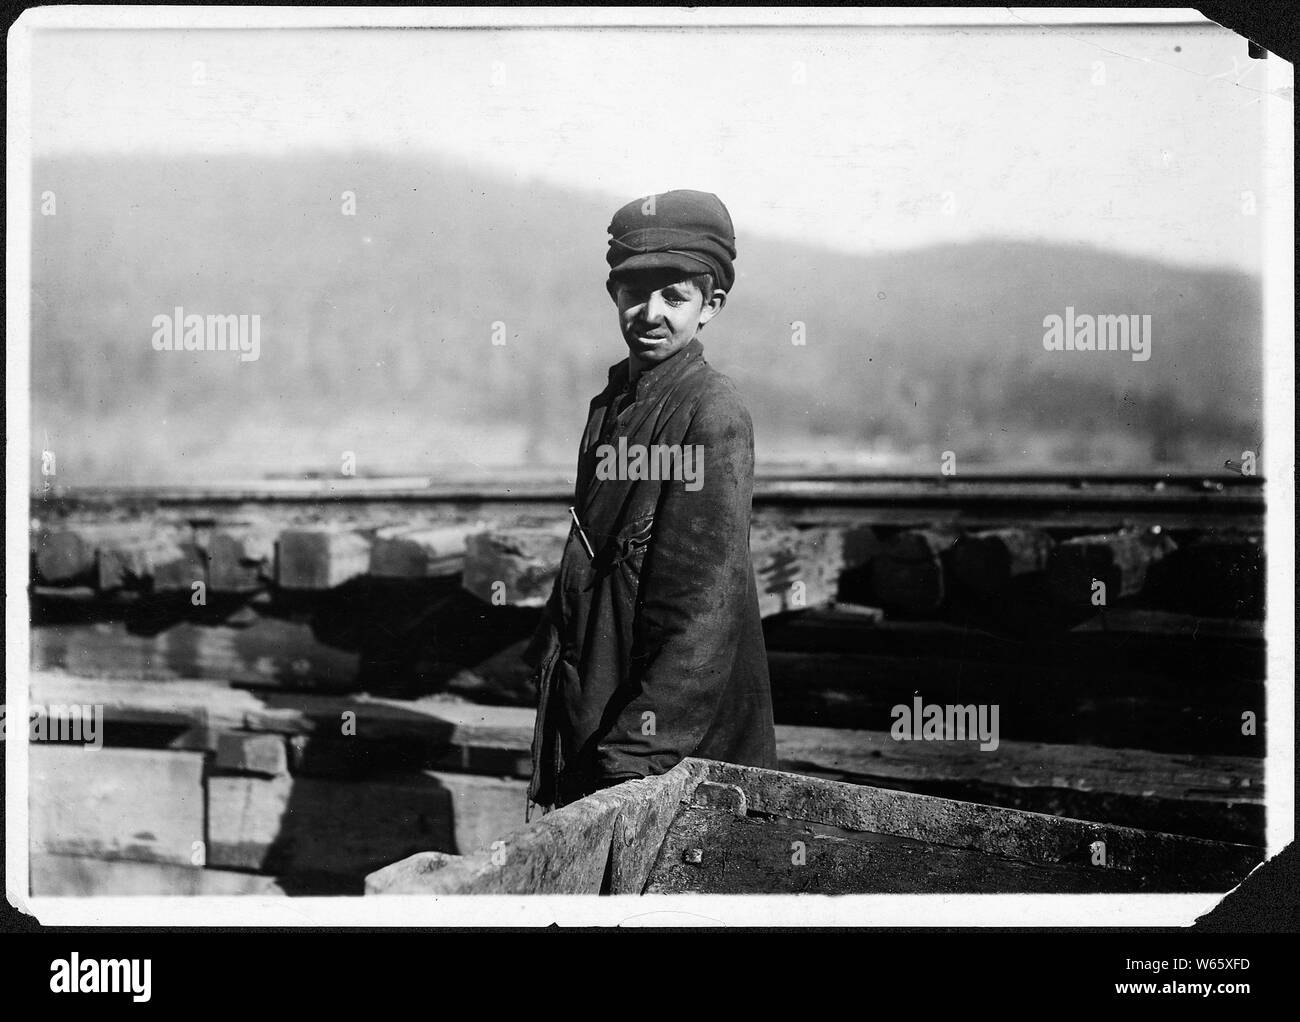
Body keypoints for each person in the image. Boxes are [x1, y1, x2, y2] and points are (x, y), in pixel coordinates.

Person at [525, 189, 777, 813]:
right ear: (613, 293)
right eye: (634, 292)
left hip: (667, 756)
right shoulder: (611, 407)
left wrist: (634, 762)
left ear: (711, 305)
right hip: (601, 721)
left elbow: (700, 612)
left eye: (675, 296)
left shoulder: (710, 413)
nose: (650, 313)